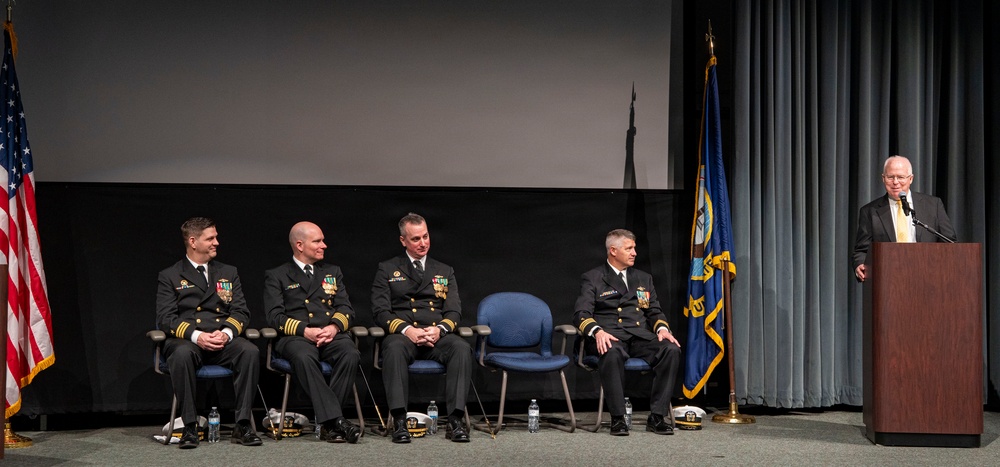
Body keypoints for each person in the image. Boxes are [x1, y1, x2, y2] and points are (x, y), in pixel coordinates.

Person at [155, 217, 262, 448]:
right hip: (188, 340)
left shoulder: (228, 272)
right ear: (193, 242)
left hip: (221, 339)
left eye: (216, 237)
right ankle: (189, 426)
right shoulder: (170, 275)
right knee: (181, 354)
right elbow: (165, 318)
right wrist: (198, 336)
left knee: (250, 351)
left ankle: (243, 424)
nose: (216, 242)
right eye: (210, 238)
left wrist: (226, 333)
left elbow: (241, 311)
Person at [370, 213, 472, 443]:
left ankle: (455, 420)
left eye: (425, 236)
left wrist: (440, 330)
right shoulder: (387, 269)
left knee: (461, 348)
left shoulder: (444, 270)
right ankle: (399, 420)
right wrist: (408, 330)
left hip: (436, 335)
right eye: (416, 239)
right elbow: (380, 312)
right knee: (393, 348)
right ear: (403, 240)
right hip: (404, 335)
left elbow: (454, 311)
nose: (423, 243)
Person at [574, 229, 681, 436]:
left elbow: (653, 311)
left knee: (671, 349)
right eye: (629, 248)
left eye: (634, 248)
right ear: (613, 251)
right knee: (611, 351)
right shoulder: (593, 278)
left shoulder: (643, 278)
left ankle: (657, 417)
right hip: (610, 336)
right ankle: (618, 418)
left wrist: (662, 329)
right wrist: (597, 332)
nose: (634, 253)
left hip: (639, 336)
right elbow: (581, 314)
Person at [263, 221, 362, 443]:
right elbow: (274, 316)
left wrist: (333, 327)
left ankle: (330, 424)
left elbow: (346, 309)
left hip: (330, 334)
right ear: (300, 245)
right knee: (304, 357)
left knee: (350, 353)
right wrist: (304, 331)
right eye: (317, 241)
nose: (323, 245)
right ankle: (337, 421)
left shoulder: (332, 272)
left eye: (322, 241)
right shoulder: (278, 275)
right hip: (296, 337)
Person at [852, 155, 957, 282]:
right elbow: (861, 250)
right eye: (890, 177)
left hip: (928, 278)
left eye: (901, 177)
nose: (895, 182)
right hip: (888, 280)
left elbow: (949, 242)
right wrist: (859, 264)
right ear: (883, 178)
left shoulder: (933, 205)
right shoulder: (869, 211)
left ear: (910, 179)